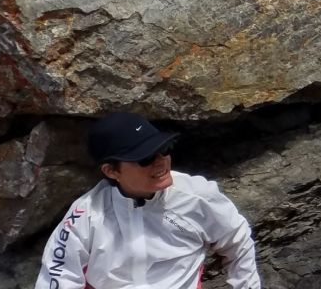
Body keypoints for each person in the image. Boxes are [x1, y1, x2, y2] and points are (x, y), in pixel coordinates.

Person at [35, 112, 262, 289]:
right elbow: (58, 276)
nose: (161, 162)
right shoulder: (85, 216)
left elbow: (238, 241)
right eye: (145, 158)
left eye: (163, 150)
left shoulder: (198, 197)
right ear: (111, 171)